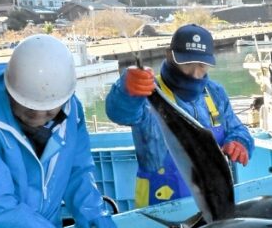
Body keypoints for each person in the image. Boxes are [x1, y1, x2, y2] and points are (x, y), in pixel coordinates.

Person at [0, 34, 118, 228]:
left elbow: (77, 168)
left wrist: (91, 208)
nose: (38, 117)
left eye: (48, 111)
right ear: (9, 90)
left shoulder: (71, 109)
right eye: (27, 110)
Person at [106, 24, 254, 207]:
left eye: (201, 65)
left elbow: (236, 128)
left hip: (213, 199)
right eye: (187, 64)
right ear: (169, 56)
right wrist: (125, 91)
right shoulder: (147, 93)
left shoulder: (215, 92)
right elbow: (121, 113)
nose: (194, 73)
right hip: (159, 206)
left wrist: (240, 142)